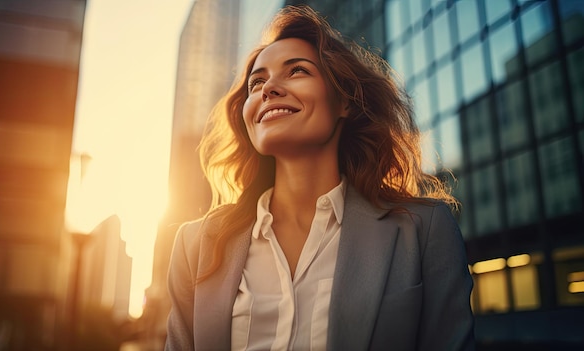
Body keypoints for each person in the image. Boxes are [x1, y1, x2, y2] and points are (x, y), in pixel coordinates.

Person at [165, 5, 474, 351]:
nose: (268, 89)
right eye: (257, 82)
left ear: (345, 101)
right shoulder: (194, 245)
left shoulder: (423, 230)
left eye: (297, 71)